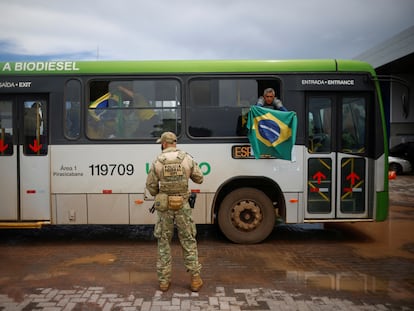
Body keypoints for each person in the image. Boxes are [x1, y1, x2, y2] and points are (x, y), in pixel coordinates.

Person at [145, 131, 204, 292]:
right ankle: (195, 280)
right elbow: (199, 178)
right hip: (183, 206)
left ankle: (164, 282)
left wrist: (160, 192)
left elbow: (151, 187)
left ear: (164, 144)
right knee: (188, 241)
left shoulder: (157, 161)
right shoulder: (187, 158)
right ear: (175, 143)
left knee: (164, 242)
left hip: (165, 209)